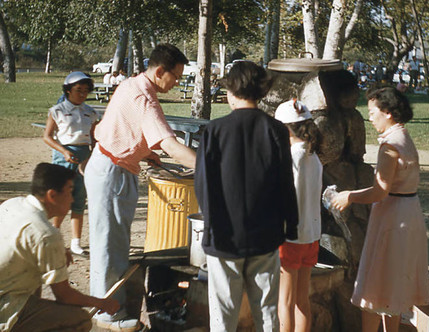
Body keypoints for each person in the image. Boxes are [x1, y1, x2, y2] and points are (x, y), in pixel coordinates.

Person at [84, 43, 196, 331]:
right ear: (160, 71)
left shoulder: (131, 84)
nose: (177, 83)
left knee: (113, 244)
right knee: (109, 246)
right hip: (113, 171)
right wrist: (210, 168)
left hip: (112, 166)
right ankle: (108, 316)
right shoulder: (144, 97)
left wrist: (145, 151)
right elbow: (171, 145)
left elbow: (118, 127)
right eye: (176, 77)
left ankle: (111, 307)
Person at [194, 60, 299, 332]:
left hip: (223, 235)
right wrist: (292, 224)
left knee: (223, 315)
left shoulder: (214, 131)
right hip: (265, 235)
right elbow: (286, 181)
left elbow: (203, 185)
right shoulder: (276, 130)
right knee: (266, 312)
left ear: (230, 93)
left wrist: (210, 226)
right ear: (261, 92)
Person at [330, 87, 429, 332]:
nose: (370, 117)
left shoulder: (390, 146)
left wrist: (349, 196)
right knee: (392, 288)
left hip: (394, 217)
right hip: (407, 213)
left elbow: (380, 191)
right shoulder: (403, 137)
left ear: (388, 113)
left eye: (373, 112)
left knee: (375, 289)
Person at [0, 163, 120, 332]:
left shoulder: (14, 204)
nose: (72, 199)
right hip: (4, 307)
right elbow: (65, 296)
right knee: (79, 319)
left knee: (34, 272)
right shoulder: (46, 235)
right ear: (52, 195)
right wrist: (101, 303)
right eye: (69, 191)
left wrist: (60, 251)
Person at [274, 99, 322, 332]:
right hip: (311, 236)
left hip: (290, 237)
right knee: (302, 301)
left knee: (284, 301)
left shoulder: (290, 158)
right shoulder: (313, 157)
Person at [43, 71, 98, 257]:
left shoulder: (90, 112)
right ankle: (54, 236)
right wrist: (64, 152)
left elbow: (93, 138)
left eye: (85, 91)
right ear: (68, 90)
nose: (82, 94)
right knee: (60, 198)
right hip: (63, 156)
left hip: (84, 157)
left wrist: (91, 156)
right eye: (78, 90)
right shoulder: (56, 111)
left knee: (79, 199)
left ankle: (76, 242)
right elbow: (47, 137)